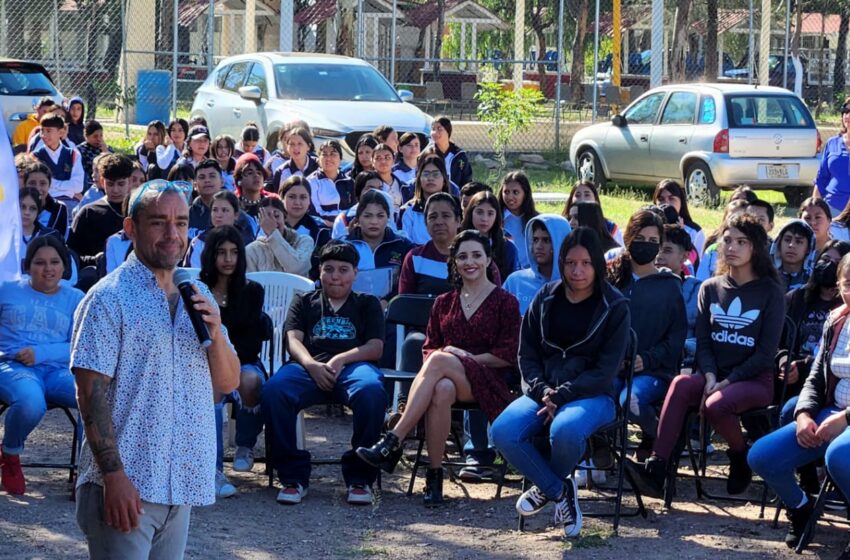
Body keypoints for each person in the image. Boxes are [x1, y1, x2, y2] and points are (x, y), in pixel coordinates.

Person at [71, 180, 240, 558]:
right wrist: (113, 477)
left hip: (180, 483)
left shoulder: (197, 295)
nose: (172, 234)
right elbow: (89, 395)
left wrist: (216, 331)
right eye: (159, 222)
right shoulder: (107, 298)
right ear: (130, 228)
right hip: (125, 487)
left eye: (181, 223)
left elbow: (228, 382)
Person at [357, 230, 521, 506]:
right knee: (441, 388)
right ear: (454, 263)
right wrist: (450, 358)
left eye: (476, 255)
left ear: (488, 259)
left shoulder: (505, 302)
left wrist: (461, 357)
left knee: (441, 360)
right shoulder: (444, 303)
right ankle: (434, 478)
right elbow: (430, 347)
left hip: (491, 381)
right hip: (449, 381)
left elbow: (508, 355)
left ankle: (395, 438)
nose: (470, 262)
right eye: (463, 256)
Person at [491, 227, 631, 538]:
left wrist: (564, 395)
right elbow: (526, 354)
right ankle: (558, 488)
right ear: (561, 263)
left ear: (597, 264)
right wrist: (543, 391)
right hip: (544, 391)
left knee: (565, 430)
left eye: (585, 263)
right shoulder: (546, 297)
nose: (577, 271)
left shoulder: (615, 306)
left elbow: (605, 370)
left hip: (594, 394)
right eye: (570, 262)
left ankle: (546, 484)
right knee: (502, 431)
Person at [632, 213, 785, 498]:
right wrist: (712, 376)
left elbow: (765, 355)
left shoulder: (770, 292)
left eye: (742, 242)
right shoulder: (710, 288)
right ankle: (657, 468)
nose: (732, 247)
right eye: (727, 240)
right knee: (679, 384)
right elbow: (703, 344)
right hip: (713, 375)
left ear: (756, 248)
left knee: (716, 405)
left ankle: (740, 455)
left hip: (754, 380)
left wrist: (723, 385)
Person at [262, 242, 387, 506]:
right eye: (329, 269)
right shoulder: (304, 301)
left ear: (355, 273)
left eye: (343, 270)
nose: (335, 276)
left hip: (353, 368)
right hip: (307, 368)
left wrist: (342, 358)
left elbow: (375, 347)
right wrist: (310, 365)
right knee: (275, 390)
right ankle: (292, 477)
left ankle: (359, 477)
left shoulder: (367, 303)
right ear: (319, 272)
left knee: (371, 391)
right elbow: (293, 339)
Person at [749, 253, 850, 556]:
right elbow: (817, 376)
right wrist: (804, 413)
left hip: (844, 419)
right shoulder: (836, 320)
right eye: (848, 283)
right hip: (830, 412)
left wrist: (846, 418)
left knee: (839, 456)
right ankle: (802, 508)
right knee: (762, 457)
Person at [0, 236, 84, 495]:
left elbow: (82, 344)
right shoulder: (7, 289)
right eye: (40, 262)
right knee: (31, 402)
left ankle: (88, 471)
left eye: (54, 262)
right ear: (28, 266)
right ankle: (10, 454)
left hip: (57, 370)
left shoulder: (76, 298)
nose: (48, 268)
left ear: (64, 267)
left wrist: (43, 352)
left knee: (95, 397)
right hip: (13, 367)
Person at [608, 210, 687, 458]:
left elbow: (676, 339)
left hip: (653, 370)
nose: (647, 246)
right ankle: (599, 447)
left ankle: (659, 439)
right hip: (610, 367)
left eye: (654, 242)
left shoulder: (670, 285)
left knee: (630, 400)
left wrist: (648, 359)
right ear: (629, 238)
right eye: (641, 238)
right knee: (596, 393)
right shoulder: (611, 280)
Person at [199, 226, 267, 498]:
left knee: (251, 380)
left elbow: (251, 344)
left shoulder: (253, 291)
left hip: (244, 361)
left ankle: (245, 444)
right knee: (213, 387)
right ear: (210, 256)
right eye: (221, 253)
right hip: (204, 366)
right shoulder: (197, 290)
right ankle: (214, 471)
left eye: (234, 252)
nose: (228, 259)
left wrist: (227, 359)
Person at [780, 240, 850, 417]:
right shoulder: (796, 298)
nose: (828, 266)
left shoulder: (842, 309)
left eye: (835, 262)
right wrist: (784, 361)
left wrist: (803, 366)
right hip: (789, 373)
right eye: (825, 258)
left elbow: (822, 367)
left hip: (825, 384)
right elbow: (774, 340)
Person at [341, 190, 414, 306]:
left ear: (388, 218)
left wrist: (388, 301)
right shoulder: (343, 246)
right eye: (367, 216)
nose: (374, 222)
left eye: (380, 216)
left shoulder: (403, 245)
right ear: (358, 219)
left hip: (391, 312)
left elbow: (410, 282)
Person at [67, 154, 134, 260]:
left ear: (130, 181)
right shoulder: (88, 213)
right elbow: (71, 253)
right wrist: (95, 260)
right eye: (110, 184)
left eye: (121, 184)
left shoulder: (139, 211)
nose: (115, 190)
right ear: (102, 182)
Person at [503, 215, 572, 316]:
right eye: (535, 240)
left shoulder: (573, 284)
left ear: (561, 243)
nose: (539, 246)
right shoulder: (515, 281)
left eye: (546, 240)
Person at [656, 225, 702, 365]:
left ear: (685, 256)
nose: (659, 256)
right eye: (656, 248)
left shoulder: (698, 290)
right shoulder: (638, 284)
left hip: (679, 363)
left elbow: (703, 339)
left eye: (667, 250)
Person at [185, 190, 256, 269]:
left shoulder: (248, 243)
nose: (219, 215)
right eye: (215, 210)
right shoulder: (200, 241)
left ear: (236, 215)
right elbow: (193, 273)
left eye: (225, 210)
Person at [245, 197, 314, 277]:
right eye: (267, 218)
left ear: (284, 217)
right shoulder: (251, 250)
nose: (272, 221)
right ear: (260, 221)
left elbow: (295, 269)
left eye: (276, 216)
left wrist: (272, 233)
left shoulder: (304, 241)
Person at [31, 113, 84, 212]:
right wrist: (68, 189)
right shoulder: (36, 157)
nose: (44, 135)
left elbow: (78, 186)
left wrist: (52, 183)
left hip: (70, 201)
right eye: (42, 130)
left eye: (49, 131)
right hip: (45, 203)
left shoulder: (73, 154)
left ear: (60, 132)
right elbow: (39, 187)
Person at [462, 191, 520, 280]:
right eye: (479, 212)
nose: (484, 219)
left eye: (490, 213)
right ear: (471, 213)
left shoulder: (508, 248)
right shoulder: (459, 243)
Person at [399, 153, 452, 245]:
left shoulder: (454, 208)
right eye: (426, 174)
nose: (430, 178)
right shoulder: (408, 211)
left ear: (444, 180)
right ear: (419, 179)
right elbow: (404, 244)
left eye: (435, 174)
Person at [814, 96, 850, 217]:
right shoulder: (832, 142)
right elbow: (822, 178)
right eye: (845, 111)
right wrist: (815, 208)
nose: (847, 115)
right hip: (832, 208)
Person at [696, 199, 750, 281]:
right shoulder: (712, 250)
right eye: (731, 217)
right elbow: (701, 280)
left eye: (740, 219)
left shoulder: (753, 250)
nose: (735, 222)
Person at [308, 140, 355, 227]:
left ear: (340, 158)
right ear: (319, 159)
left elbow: (354, 209)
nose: (328, 158)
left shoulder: (349, 181)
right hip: (323, 228)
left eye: (333, 154)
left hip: (348, 227)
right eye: (324, 154)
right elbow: (314, 213)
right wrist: (335, 224)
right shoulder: (311, 182)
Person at [653, 179, 705, 256]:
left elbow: (696, 261)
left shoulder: (694, 232)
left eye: (671, 198)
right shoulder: (650, 227)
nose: (666, 203)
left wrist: (681, 233)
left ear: (681, 202)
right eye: (661, 199)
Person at [498, 172, 539, 269]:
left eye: (515, 192)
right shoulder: (496, 219)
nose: (510, 197)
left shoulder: (536, 220)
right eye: (506, 192)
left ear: (525, 193)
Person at [423, 116, 472, 191]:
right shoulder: (427, 154)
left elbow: (467, 180)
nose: (435, 132)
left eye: (439, 129)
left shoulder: (459, 155)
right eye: (433, 129)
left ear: (448, 131)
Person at [24, 161, 69, 240]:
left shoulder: (59, 208)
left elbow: (61, 241)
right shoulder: (16, 208)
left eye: (43, 183)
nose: (37, 188)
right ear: (25, 185)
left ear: (49, 185)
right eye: (32, 183)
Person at [770, 219, 817, 292]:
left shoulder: (813, 280)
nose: (791, 245)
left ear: (808, 248)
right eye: (787, 240)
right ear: (779, 243)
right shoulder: (766, 276)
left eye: (799, 242)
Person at [270, 127, 318, 192]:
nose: (295, 148)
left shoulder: (319, 166)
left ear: (308, 146)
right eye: (292, 144)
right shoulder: (281, 172)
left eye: (300, 144)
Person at [235, 153, 278, 220]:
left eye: (259, 173)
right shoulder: (232, 204)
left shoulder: (273, 201)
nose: (256, 176)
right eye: (250, 173)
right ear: (239, 180)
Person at [76, 120, 114, 192]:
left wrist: (106, 152)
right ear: (86, 136)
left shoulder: (106, 148)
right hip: (90, 183)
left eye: (101, 135)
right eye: (95, 136)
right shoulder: (80, 150)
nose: (99, 139)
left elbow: (115, 165)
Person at [372, 142, 409, 212]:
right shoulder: (368, 185)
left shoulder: (403, 185)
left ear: (393, 160)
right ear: (372, 162)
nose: (383, 161)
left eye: (387, 157)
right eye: (378, 158)